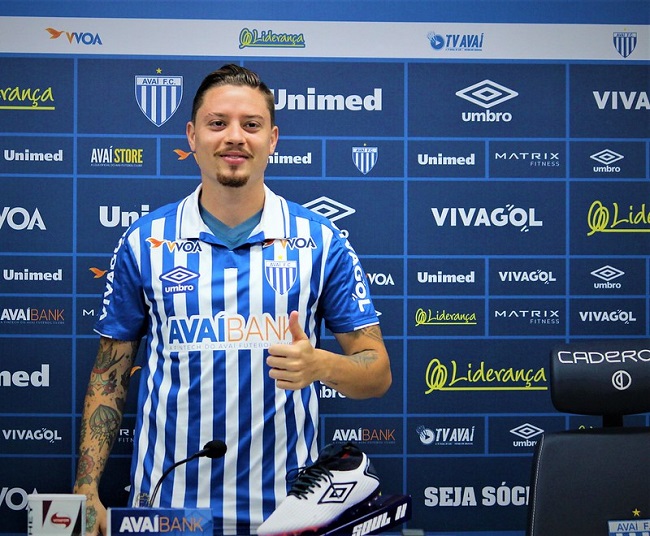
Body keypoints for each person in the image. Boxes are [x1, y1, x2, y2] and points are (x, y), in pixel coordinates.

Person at [73, 63, 392, 535]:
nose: (235, 137)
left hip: (287, 512)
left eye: (251, 124)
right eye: (218, 123)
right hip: (169, 510)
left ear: (273, 139)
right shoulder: (145, 241)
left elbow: (377, 372)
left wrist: (322, 365)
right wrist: (86, 488)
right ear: (192, 136)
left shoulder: (321, 240)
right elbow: (110, 374)